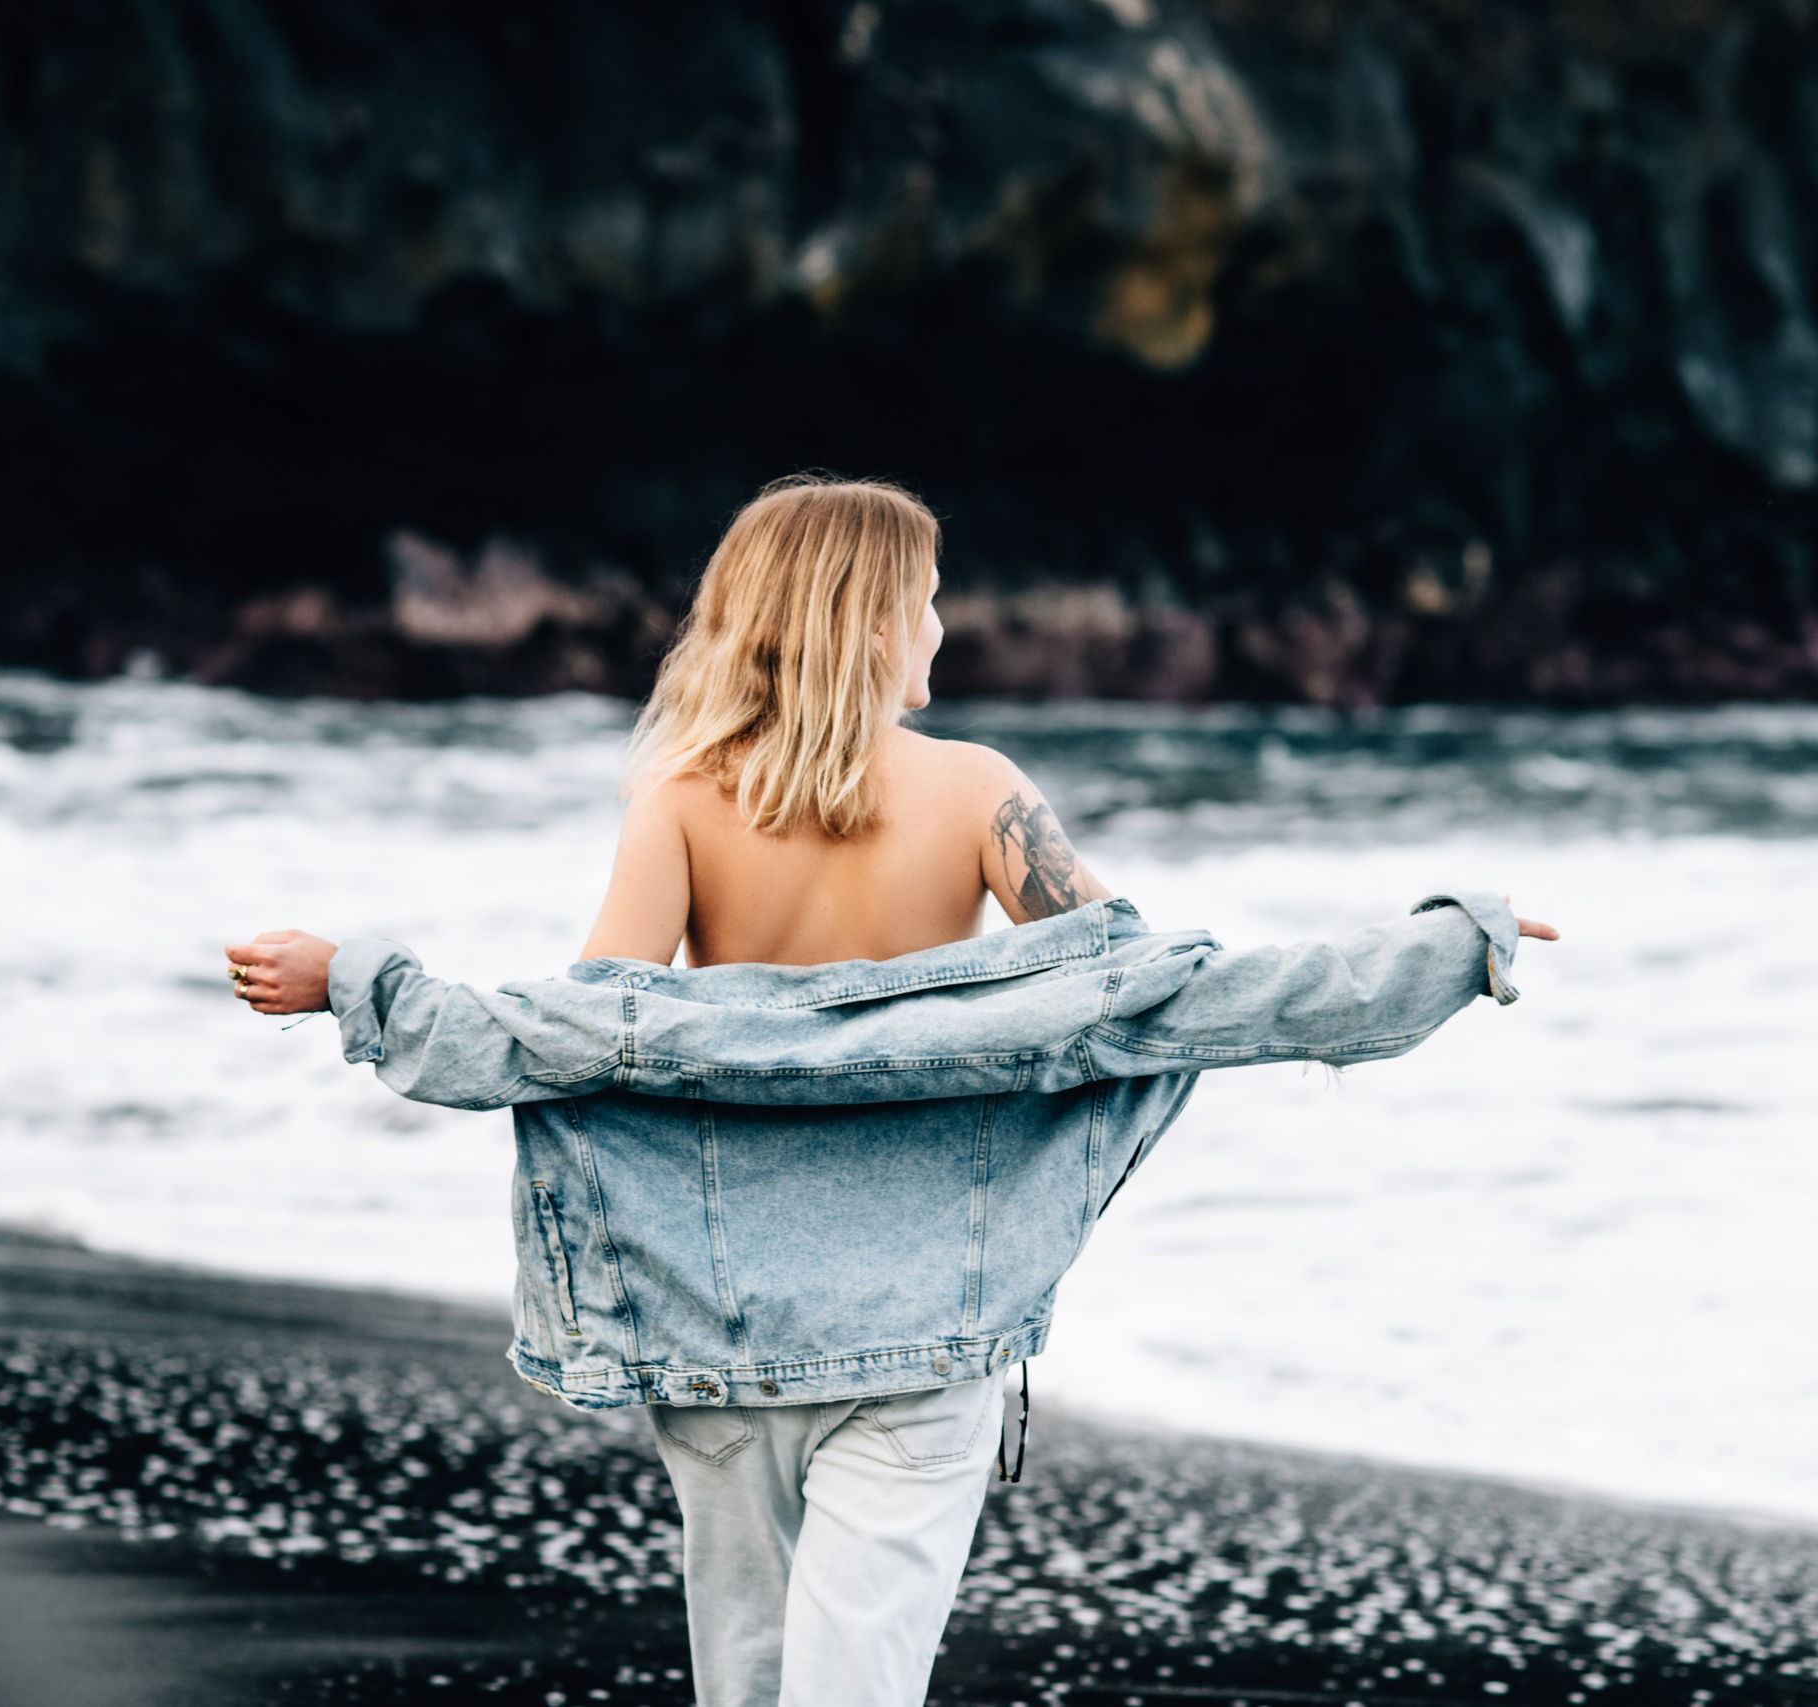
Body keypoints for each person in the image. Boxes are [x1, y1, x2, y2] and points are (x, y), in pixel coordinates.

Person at [226, 476, 1556, 1707]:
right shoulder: (979, 792)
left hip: (715, 1321)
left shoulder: (682, 801)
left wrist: (362, 985)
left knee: (745, 1676)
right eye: (920, 598)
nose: (937, 625)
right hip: (929, 1324)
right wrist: (1448, 949)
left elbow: (585, 1035)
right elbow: (1156, 994)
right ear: (868, 622)